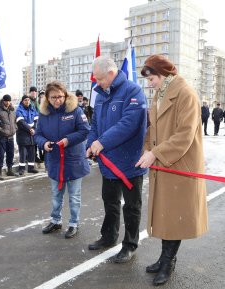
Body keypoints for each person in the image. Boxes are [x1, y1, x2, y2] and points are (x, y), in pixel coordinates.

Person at [136, 55, 208, 286]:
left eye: (152, 78)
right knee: (166, 215)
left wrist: (155, 153)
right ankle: (164, 258)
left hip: (180, 165)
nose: (149, 83)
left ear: (164, 75)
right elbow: (152, 130)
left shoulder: (186, 94)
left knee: (175, 216)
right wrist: (147, 149)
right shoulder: (161, 94)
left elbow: (184, 136)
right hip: (165, 164)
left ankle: (168, 261)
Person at [86, 56, 148, 264]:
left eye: (100, 79)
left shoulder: (133, 91)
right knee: (110, 202)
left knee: (131, 206)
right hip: (108, 163)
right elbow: (94, 123)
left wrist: (101, 142)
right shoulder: (101, 95)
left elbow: (128, 124)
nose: (98, 83)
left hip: (130, 162)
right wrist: (91, 143)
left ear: (111, 74)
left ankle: (130, 244)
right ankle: (109, 236)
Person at [35, 81, 90, 239]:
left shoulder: (75, 110)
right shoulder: (44, 114)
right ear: (47, 98)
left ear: (65, 95)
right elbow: (38, 134)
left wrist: (68, 140)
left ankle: (74, 223)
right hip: (54, 160)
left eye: (60, 96)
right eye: (53, 97)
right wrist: (43, 143)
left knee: (74, 195)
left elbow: (85, 130)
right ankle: (55, 220)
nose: (57, 100)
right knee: (56, 194)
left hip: (73, 160)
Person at [0, 94, 17, 179]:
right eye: (6, 101)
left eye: (9, 101)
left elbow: (15, 122)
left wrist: (15, 129)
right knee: (0, 154)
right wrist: (1, 131)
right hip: (2, 137)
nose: (8, 102)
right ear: (3, 101)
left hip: (11, 136)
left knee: (11, 154)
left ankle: (9, 170)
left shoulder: (12, 110)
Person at [16, 95, 39, 175]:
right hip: (23, 134)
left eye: (28, 100)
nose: (27, 101)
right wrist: (30, 129)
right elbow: (21, 122)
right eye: (25, 100)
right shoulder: (19, 110)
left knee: (32, 152)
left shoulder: (33, 109)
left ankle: (31, 168)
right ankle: (21, 169)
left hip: (32, 134)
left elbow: (36, 120)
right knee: (23, 152)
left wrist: (34, 129)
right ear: (22, 101)